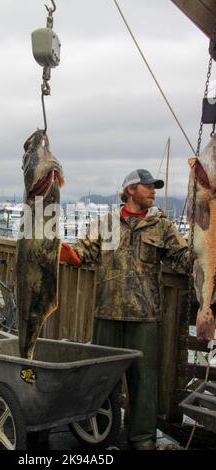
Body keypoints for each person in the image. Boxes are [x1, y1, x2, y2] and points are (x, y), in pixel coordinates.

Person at [60, 169, 191, 450]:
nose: (153, 191)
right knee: (103, 380)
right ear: (131, 190)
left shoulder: (163, 227)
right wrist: (57, 250)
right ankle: (103, 434)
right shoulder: (106, 223)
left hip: (145, 316)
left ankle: (142, 439)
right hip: (106, 313)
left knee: (144, 382)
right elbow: (81, 254)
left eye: (154, 187)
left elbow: (184, 259)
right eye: (148, 187)